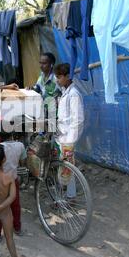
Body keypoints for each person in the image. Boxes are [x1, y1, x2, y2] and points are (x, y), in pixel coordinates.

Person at [53, 63, 84, 200]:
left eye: (59, 77)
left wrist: (70, 142)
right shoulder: (64, 93)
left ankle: (70, 196)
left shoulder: (74, 94)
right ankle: (63, 195)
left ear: (67, 76)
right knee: (64, 168)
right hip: (62, 137)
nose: (57, 80)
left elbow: (78, 120)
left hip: (68, 139)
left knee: (68, 168)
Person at [0, 131, 27, 243]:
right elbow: (23, 161)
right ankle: (17, 228)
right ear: (12, 132)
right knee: (15, 206)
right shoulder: (20, 145)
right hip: (13, 181)